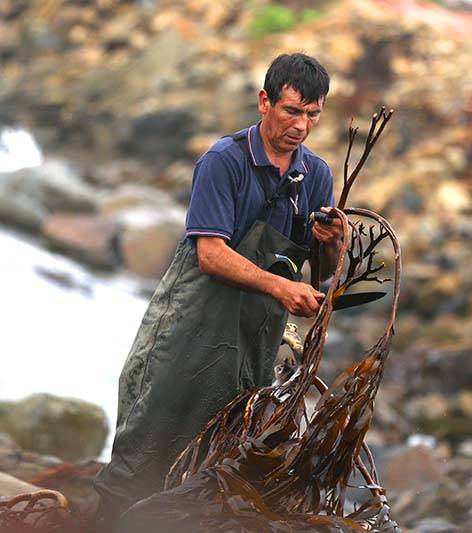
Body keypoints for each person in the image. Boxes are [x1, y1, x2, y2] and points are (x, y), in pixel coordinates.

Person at [94, 52, 344, 522]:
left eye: (313, 114)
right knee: (143, 453)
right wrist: (280, 288)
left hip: (254, 343)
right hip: (189, 328)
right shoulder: (224, 161)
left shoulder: (317, 177)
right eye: (292, 111)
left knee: (217, 463)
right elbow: (210, 254)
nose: (302, 126)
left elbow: (320, 275)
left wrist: (333, 244)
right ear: (264, 101)